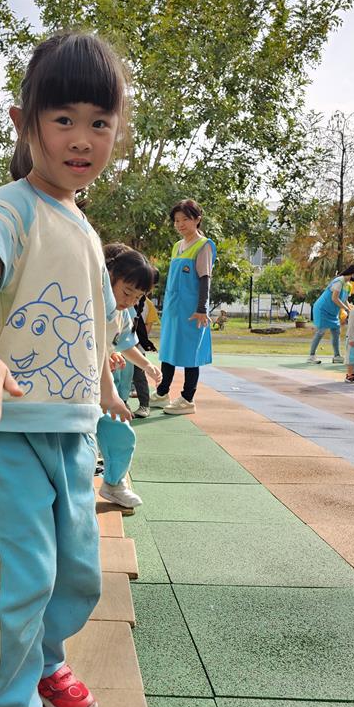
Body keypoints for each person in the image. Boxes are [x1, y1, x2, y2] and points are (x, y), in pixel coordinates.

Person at [0, 31, 132, 707]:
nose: (82, 139)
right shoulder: (12, 207)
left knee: (77, 571)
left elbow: (97, 321)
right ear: (26, 124)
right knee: (18, 577)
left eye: (99, 123)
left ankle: (47, 661)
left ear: (118, 132)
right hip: (7, 432)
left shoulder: (84, 228)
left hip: (71, 432)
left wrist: (106, 390)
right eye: (63, 120)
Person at [96, 245, 162, 509]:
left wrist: (146, 365)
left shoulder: (122, 314)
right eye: (127, 292)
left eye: (138, 297)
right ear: (109, 275)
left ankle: (113, 483)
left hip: (101, 386)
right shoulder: (90, 302)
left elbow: (124, 343)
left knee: (121, 432)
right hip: (77, 387)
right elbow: (93, 345)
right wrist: (107, 356)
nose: (130, 301)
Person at [150, 198, 216, 415]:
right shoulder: (177, 246)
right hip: (173, 309)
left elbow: (205, 279)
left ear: (197, 219)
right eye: (176, 220)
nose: (180, 224)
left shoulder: (203, 245)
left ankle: (188, 399)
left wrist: (201, 309)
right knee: (168, 350)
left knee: (190, 355)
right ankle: (162, 392)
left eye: (185, 219)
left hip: (192, 312)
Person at [307, 264, 354, 364]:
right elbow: (334, 298)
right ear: (352, 273)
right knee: (321, 331)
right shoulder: (339, 281)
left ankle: (337, 356)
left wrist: (351, 309)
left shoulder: (348, 285)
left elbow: (344, 300)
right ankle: (311, 356)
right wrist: (347, 310)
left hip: (333, 312)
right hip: (322, 309)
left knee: (336, 331)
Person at [131, 287, 159, 419]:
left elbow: (147, 327)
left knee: (139, 376)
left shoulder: (148, 305)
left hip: (137, 348)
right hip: (121, 347)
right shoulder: (125, 299)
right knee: (121, 377)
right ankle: (122, 402)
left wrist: (136, 341)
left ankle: (144, 405)